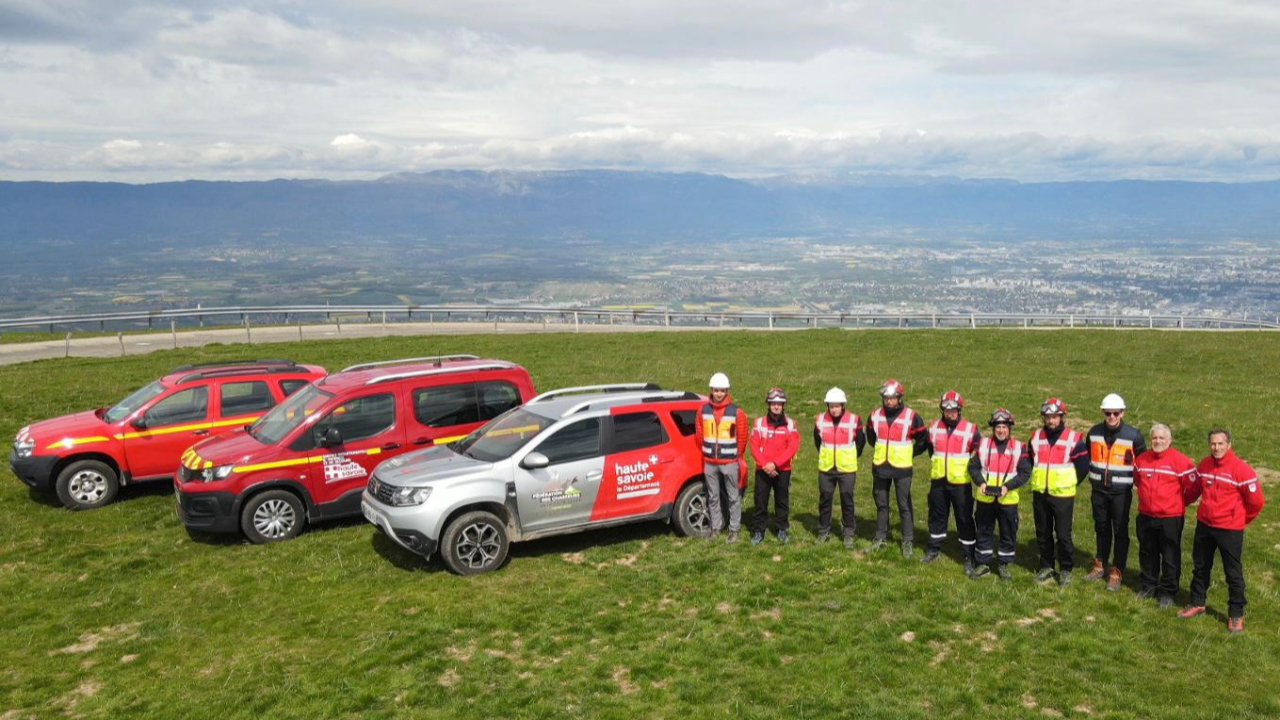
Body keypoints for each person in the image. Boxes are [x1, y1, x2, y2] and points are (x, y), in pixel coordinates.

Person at [1180, 429, 1266, 633]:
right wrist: (1178, 503)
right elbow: (1193, 491)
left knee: (1232, 573)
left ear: (1229, 444)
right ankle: (1197, 602)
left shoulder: (1242, 470)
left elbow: (1257, 502)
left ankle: (1236, 613)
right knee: (1200, 566)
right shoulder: (1204, 465)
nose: (1216, 447)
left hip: (1230, 530)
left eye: (1220, 443)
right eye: (1213, 443)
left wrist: (1240, 520)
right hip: (1205, 525)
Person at [1083, 393, 1146, 592]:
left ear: (1122, 413)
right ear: (1103, 412)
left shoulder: (1134, 436)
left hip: (1121, 493)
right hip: (1098, 491)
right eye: (1108, 413)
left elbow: (1143, 464)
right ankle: (1100, 564)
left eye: (1115, 413)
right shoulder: (1093, 433)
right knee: (1101, 528)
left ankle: (1117, 570)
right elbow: (1087, 457)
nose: (1112, 416)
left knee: (1120, 531)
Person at [1026, 397, 1089, 587]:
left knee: (1062, 535)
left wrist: (1070, 483)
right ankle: (1046, 566)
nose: (1051, 420)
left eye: (1055, 417)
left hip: (1063, 495)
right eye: (1048, 417)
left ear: (1062, 417)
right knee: (1043, 532)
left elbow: (1083, 466)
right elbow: (1030, 460)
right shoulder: (1035, 437)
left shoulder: (1073, 439)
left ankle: (1066, 569)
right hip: (1040, 493)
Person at [1133, 423, 1198, 608]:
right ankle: (1148, 586)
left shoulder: (1181, 461)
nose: (1158, 441)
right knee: (1147, 552)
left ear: (1170, 440)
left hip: (1170, 517)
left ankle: (1168, 592)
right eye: (1154, 438)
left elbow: (1193, 489)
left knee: (1170, 555)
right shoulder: (1142, 460)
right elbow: (1138, 481)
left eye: (1162, 438)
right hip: (1146, 515)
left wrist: (1178, 503)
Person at [865, 379, 927, 557]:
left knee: (904, 504)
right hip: (880, 467)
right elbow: (871, 437)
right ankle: (880, 537)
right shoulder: (875, 415)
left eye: (892, 398)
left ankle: (907, 541)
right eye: (886, 398)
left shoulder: (911, 416)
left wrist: (911, 452)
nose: (889, 401)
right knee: (881, 504)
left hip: (902, 468)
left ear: (899, 398)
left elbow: (923, 439)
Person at [968, 409, 1031, 580]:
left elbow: (1025, 472)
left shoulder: (1018, 447)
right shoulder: (983, 444)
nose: (1001, 430)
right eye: (998, 427)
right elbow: (973, 467)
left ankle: (1004, 564)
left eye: (1004, 427)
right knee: (983, 529)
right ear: (993, 428)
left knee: (1008, 531)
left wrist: (1008, 486)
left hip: (1007, 498)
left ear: (1009, 428)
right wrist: (980, 482)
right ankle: (983, 563)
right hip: (985, 497)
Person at [922, 390, 979, 572]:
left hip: (961, 483)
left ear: (959, 410)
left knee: (964, 518)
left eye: (954, 410)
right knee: (937, 515)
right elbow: (931, 449)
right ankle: (934, 549)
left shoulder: (970, 429)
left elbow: (978, 453)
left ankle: (968, 554)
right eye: (947, 410)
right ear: (942, 410)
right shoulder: (933, 427)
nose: (950, 413)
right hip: (939, 480)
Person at [700, 372, 749, 543]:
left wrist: (734, 455)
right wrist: (707, 451)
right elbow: (699, 434)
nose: (719, 393)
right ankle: (716, 527)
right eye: (716, 390)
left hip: (729, 462)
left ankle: (734, 530)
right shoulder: (703, 410)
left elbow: (742, 437)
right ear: (711, 390)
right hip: (710, 462)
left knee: (733, 497)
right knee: (713, 496)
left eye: (722, 390)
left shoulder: (737, 412)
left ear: (727, 391)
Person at [814, 387, 864, 548]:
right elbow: (817, 441)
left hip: (847, 469)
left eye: (837, 406)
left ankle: (848, 532)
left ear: (843, 405)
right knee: (825, 500)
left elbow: (860, 442)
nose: (834, 409)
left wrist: (851, 456)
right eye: (831, 406)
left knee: (847, 500)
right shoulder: (820, 420)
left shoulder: (854, 420)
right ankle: (823, 531)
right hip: (826, 468)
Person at [750, 387, 800, 545]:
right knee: (760, 501)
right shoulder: (759, 423)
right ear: (768, 404)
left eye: (779, 403)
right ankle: (759, 531)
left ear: (783, 405)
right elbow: (754, 446)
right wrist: (766, 465)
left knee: (782, 501)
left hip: (783, 469)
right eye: (773, 403)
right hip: (763, 469)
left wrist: (775, 464)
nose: (776, 406)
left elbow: (792, 447)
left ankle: (781, 529)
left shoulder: (791, 424)